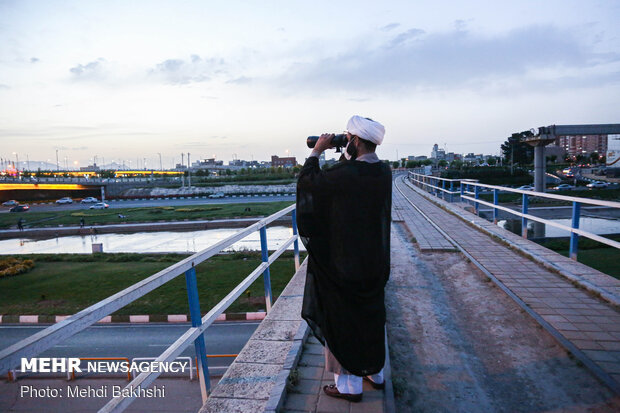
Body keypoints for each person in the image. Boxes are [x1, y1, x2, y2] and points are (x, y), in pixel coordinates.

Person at [296, 115, 392, 402]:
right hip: (374, 261)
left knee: (341, 320)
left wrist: (317, 151)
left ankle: (348, 386)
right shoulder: (383, 172)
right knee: (371, 317)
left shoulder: (345, 175)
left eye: (346, 137)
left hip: (344, 264)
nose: (344, 141)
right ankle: (375, 374)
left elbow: (309, 185)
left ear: (356, 141)